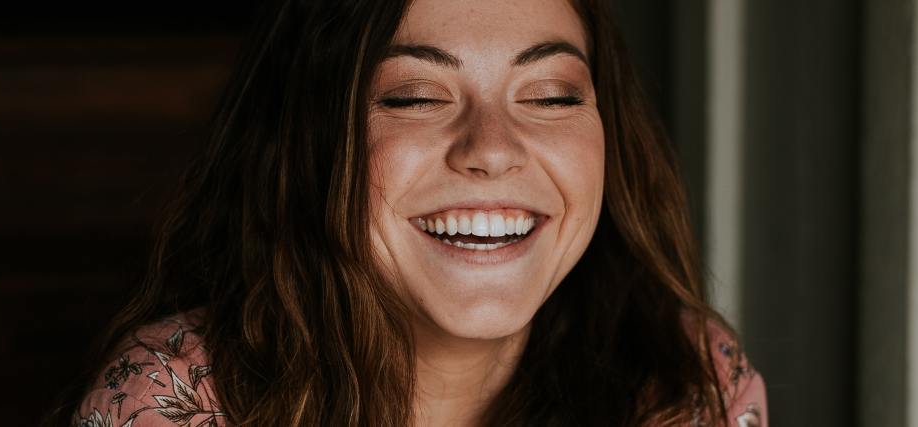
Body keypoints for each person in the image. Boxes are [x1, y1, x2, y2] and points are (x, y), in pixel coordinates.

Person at [49, 0, 766, 425]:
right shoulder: (176, 403)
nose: (492, 149)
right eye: (414, 97)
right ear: (308, 142)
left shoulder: (687, 383)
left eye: (550, 94)